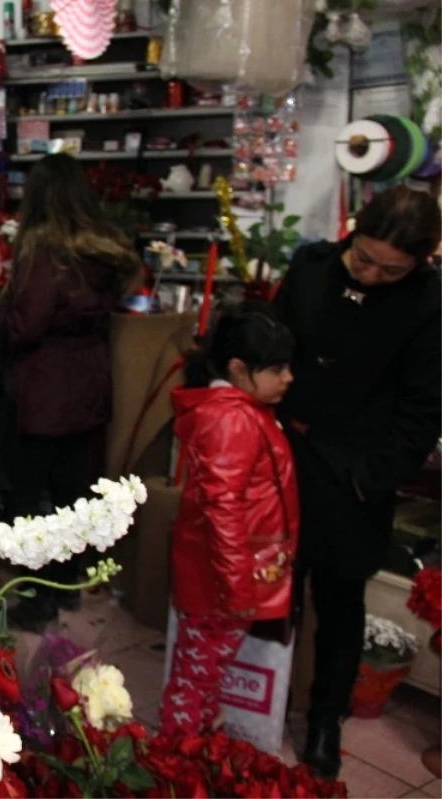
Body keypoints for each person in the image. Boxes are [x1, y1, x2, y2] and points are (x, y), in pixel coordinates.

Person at [273, 187, 442, 779]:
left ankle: (324, 720)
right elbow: (276, 341)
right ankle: (261, 703)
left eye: (391, 270)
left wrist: (374, 477)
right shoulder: (312, 265)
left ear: (421, 262)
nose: (372, 275)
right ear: (352, 233)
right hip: (287, 455)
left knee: (341, 602)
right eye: (364, 260)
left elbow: (424, 407)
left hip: (355, 475)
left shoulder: (427, 302)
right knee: (272, 589)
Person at [0, 153, 140, 626]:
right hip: (89, 378)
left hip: (46, 385)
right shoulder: (102, 248)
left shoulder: (46, 249)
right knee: (71, 491)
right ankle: (67, 585)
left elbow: (25, 325)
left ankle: (35, 598)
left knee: (29, 494)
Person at [160, 305, 299, 737]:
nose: (289, 377)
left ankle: (201, 736)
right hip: (221, 581)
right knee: (195, 674)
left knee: (205, 669)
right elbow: (223, 510)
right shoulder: (231, 419)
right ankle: (173, 761)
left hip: (228, 573)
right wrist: (238, 587)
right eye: (277, 369)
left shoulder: (242, 408)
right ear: (239, 369)